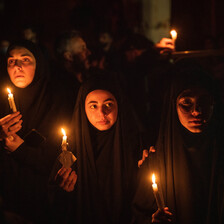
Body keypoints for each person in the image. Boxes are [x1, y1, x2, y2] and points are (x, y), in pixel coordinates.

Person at [132, 59, 224, 224]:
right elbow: (139, 214)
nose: (196, 111)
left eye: (203, 102)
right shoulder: (155, 163)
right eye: (186, 103)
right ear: (173, 107)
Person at [49, 73, 147, 224]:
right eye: (93, 106)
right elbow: (56, 206)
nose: (102, 113)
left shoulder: (136, 145)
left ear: (119, 105)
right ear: (83, 109)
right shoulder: (70, 149)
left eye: (108, 104)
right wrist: (63, 190)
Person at [0, 40, 68, 223]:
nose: (17, 66)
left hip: (44, 203)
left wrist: (21, 150)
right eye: (11, 61)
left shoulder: (56, 102)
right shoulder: (1, 103)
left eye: (25, 60)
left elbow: (60, 160)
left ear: (39, 65)